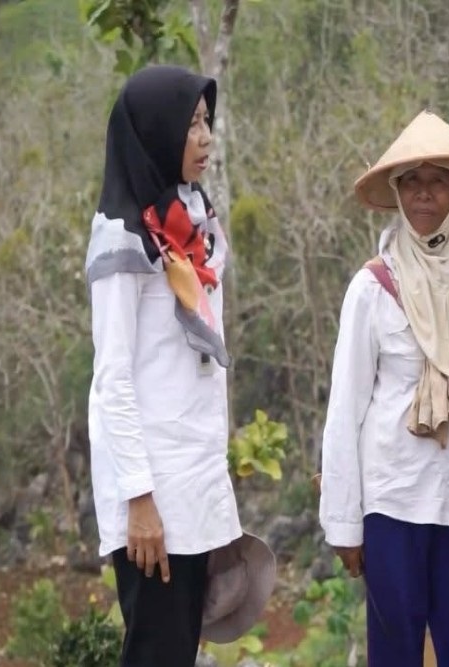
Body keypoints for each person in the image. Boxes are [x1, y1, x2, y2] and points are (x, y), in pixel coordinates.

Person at [318, 110, 449, 666]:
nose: (423, 195)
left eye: (436, 182)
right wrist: (344, 520)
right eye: (411, 182)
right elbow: (346, 408)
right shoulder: (372, 286)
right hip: (391, 496)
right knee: (396, 649)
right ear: (397, 192)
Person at [85, 65, 270, 666]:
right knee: (156, 653)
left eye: (207, 122)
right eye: (190, 125)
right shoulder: (122, 240)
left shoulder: (192, 227)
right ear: (156, 132)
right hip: (152, 494)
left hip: (192, 485)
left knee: (179, 651)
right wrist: (138, 500)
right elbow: (112, 380)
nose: (206, 137)